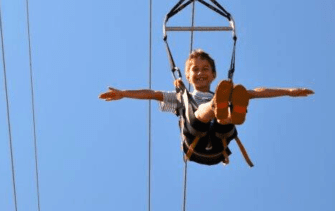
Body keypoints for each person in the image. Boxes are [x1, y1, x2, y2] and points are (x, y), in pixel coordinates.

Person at [99, 49, 312, 164]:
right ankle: (221, 109)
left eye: (205, 69)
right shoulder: (182, 95)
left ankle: (231, 113)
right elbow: (152, 94)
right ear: (189, 76)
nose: (200, 73)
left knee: (231, 104)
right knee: (197, 112)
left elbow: (257, 91)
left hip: (221, 142)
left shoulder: (225, 91)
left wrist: (288, 91)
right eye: (195, 70)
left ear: (213, 75)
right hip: (196, 143)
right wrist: (124, 94)